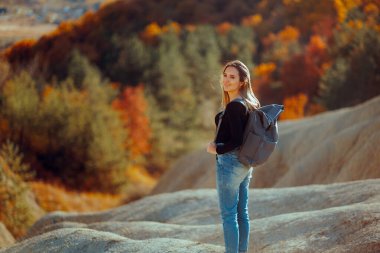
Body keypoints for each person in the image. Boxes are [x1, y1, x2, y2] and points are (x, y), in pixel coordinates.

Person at [207, 60, 260, 253]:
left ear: (242, 82)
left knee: (229, 216)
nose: (227, 80)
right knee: (241, 214)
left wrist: (216, 148)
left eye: (232, 77)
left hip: (230, 163)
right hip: (245, 164)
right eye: (225, 75)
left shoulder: (234, 107)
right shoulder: (248, 103)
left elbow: (236, 140)